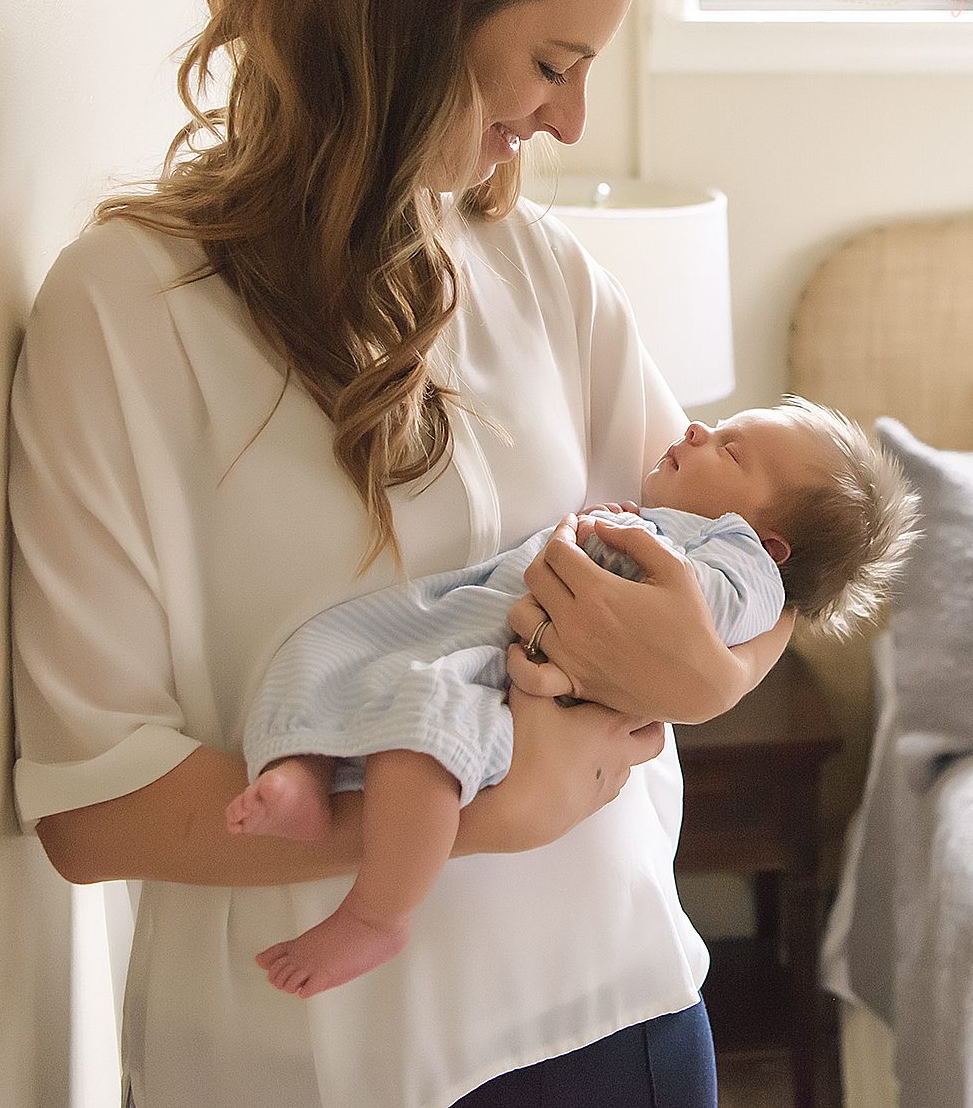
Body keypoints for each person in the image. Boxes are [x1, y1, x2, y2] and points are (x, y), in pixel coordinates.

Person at [8, 0, 796, 1108]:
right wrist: (493, 817)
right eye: (554, 61)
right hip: (314, 1065)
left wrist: (716, 677)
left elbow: (753, 553)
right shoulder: (131, 310)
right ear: (418, 13)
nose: (568, 116)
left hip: (628, 1014)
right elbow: (92, 807)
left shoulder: (537, 268)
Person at [228, 398, 920, 999]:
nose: (698, 429)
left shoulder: (740, 570)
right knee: (327, 649)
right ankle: (303, 776)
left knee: (418, 735)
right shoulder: (684, 526)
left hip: (502, 682)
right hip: (464, 628)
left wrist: (626, 546)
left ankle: (378, 913)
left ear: (764, 544)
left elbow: (695, 615)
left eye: (731, 449)